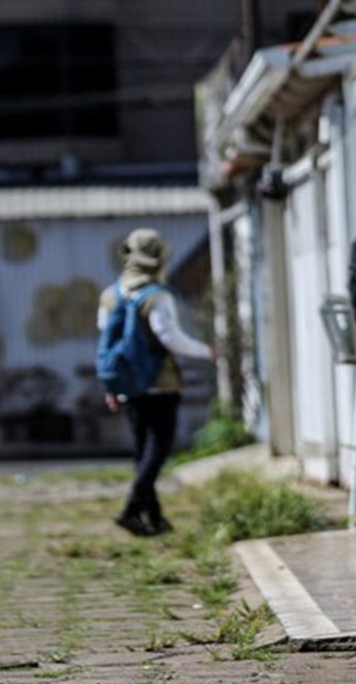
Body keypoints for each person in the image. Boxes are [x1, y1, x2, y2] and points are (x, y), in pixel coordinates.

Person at [98, 228, 214, 536]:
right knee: (158, 449)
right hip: (160, 384)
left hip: (128, 385)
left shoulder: (110, 295)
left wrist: (112, 385)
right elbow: (169, 338)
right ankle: (131, 509)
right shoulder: (158, 296)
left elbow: (105, 338)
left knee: (143, 451)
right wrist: (206, 352)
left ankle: (154, 518)